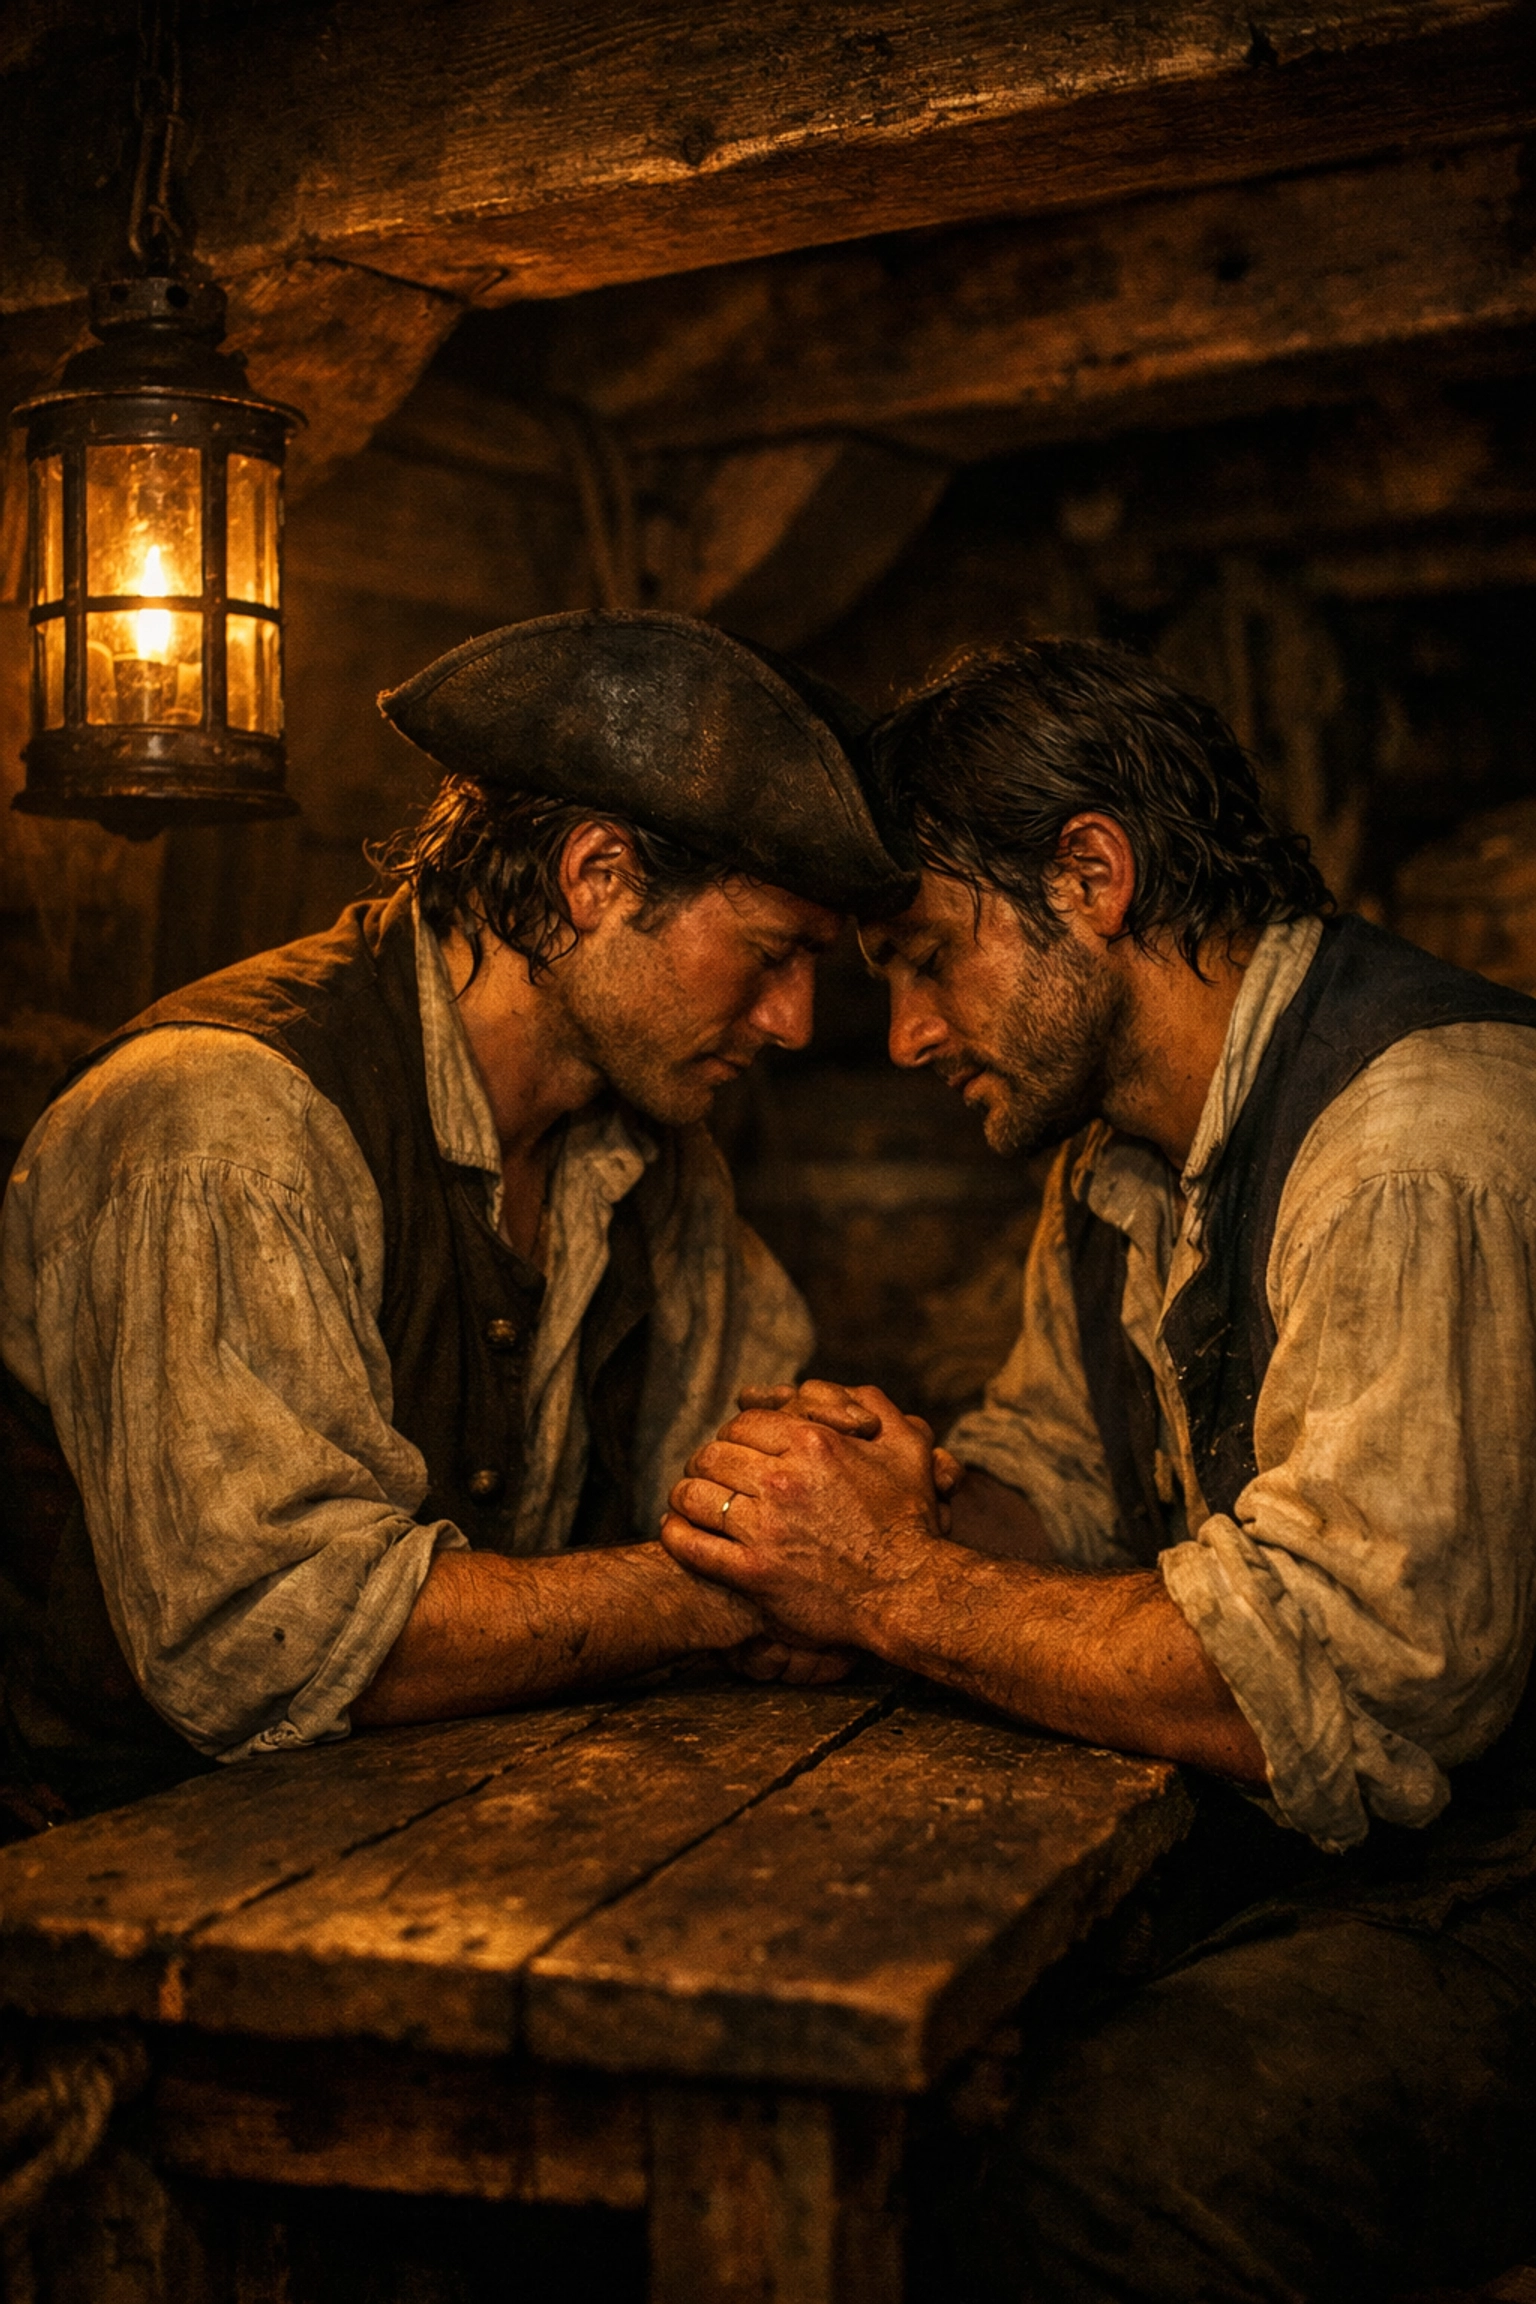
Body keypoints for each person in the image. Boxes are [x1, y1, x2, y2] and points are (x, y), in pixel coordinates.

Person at [660, 638, 1536, 2301]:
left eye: (927, 958)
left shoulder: (1414, 1143)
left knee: (1106, 2171)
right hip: (1350, 1857)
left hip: (1504, 1879)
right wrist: (897, 1501)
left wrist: (891, 1583)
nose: (904, 1033)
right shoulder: (1123, 1155)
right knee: (927, 2058)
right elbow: (1060, 1472)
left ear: (1092, 872)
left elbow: (1354, 1672)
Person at [0, 610, 914, 1824]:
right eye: (769, 952)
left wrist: (852, 1485)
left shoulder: (653, 1147)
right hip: (105, 1858)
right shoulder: (222, 1127)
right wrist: (743, 1587)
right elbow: (272, 1636)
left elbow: (753, 1454)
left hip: (449, 1830)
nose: (796, 1020)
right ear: (596, 878)